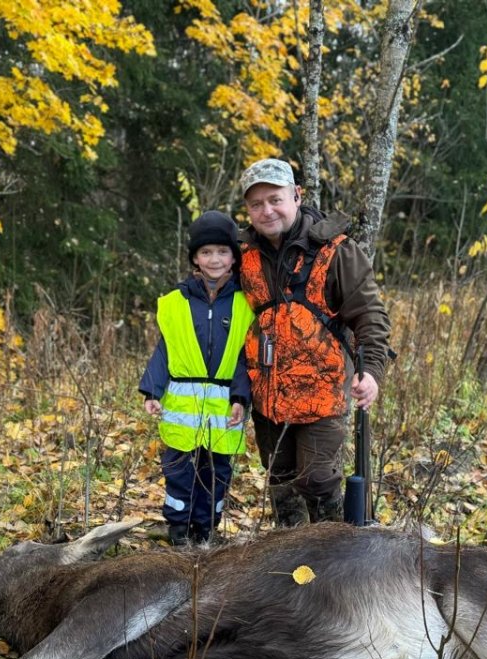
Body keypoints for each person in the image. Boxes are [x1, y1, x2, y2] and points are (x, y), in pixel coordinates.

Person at [238, 158, 393, 526]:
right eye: (256, 204)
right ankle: (289, 550)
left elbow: (370, 315)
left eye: (275, 199)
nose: (266, 211)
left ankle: (333, 548)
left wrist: (372, 371)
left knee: (318, 480)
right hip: (267, 394)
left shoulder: (336, 251)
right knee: (279, 480)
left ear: (296, 195)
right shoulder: (242, 255)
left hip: (322, 393)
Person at [140, 210, 253, 545]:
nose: (214, 259)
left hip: (223, 409)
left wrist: (240, 397)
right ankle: (178, 529)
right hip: (181, 409)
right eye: (206, 252)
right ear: (195, 258)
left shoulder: (245, 303)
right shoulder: (175, 302)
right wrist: (152, 391)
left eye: (222, 251)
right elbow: (165, 350)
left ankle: (205, 531)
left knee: (216, 472)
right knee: (178, 470)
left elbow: (244, 358)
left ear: (234, 257)